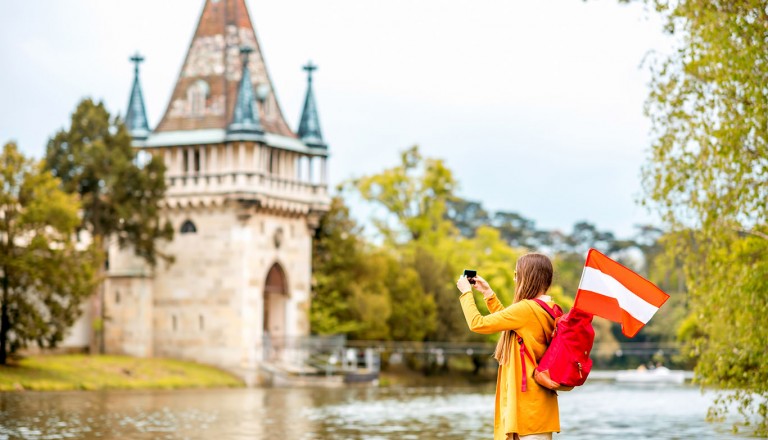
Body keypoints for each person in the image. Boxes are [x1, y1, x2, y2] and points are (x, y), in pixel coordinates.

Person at [456, 253, 560, 440]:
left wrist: (466, 293)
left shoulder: (526, 309)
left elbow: (477, 323)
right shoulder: (549, 309)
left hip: (526, 410)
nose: (514, 279)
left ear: (526, 278)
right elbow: (513, 324)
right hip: (539, 407)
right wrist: (488, 294)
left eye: (516, 274)